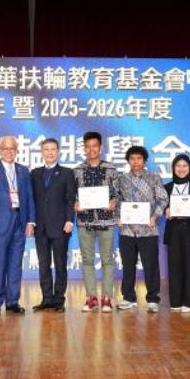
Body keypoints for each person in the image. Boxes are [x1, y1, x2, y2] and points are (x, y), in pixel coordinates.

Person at [0, 135, 35, 316]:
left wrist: (31, 221)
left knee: (15, 264)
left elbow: (29, 197)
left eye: (12, 149)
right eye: (5, 148)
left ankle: (12, 302)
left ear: (16, 151)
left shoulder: (23, 170)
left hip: (19, 222)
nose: (9, 152)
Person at [116, 146, 168, 312]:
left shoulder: (154, 177)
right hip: (127, 230)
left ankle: (153, 299)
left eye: (139, 158)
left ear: (144, 160)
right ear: (128, 161)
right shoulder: (121, 179)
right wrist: (118, 217)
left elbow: (163, 199)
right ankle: (128, 297)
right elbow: (116, 200)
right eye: (132, 159)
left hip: (148, 229)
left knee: (151, 265)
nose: (136, 162)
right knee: (128, 265)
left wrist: (155, 216)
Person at [73, 131, 119, 312]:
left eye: (95, 146)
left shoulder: (111, 169)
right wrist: (75, 205)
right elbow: (72, 195)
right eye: (88, 146)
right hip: (85, 221)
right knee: (87, 260)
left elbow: (118, 193)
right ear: (84, 148)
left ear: (100, 148)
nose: (91, 149)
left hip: (106, 221)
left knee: (107, 260)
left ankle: (107, 298)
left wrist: (114, 202)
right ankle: (91, 297)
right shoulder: (77, 170)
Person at [30, 138, 76, 313]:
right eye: (46, 149)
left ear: (58, 152)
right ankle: (47, 299)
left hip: (60, 226)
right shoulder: (34, 173)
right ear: (42, 152)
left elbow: (70, 198)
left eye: (53, 149)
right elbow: (31, 200)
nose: (49, 152)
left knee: (60, 264)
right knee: (43, 265)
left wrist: (70, 220)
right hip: (40, 227)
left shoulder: (67, 173)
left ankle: (59, 300)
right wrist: (30, 221)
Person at [164, 154, 190, 313]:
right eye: (178, 166)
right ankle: (175, 300)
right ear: (173, 168)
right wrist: (166, 210)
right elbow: (163, 205)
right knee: (174, 265)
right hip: (174, 230)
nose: (181, 169)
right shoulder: (167, 187)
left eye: (185, 166)